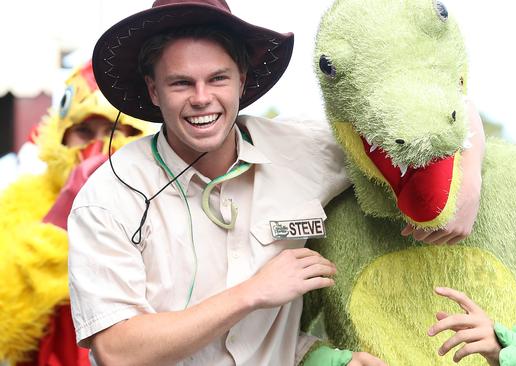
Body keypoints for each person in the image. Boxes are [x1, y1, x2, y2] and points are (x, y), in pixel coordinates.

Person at [67, 0, 485, 365]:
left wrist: (467, 189)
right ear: (153, 91)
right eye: (181, 83)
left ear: (242, 81)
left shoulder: (305, 148)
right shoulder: (108, 198)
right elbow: (117, 351)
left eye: (217, 78)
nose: (201, 97)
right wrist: (253, 292)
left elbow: (446, 109)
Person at [0, 61, 151, 366]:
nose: (97, 146)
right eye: (84, 131)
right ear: (61, 137)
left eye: (112, 131)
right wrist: (59, 225)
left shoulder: (161, 200)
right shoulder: (21, 199)